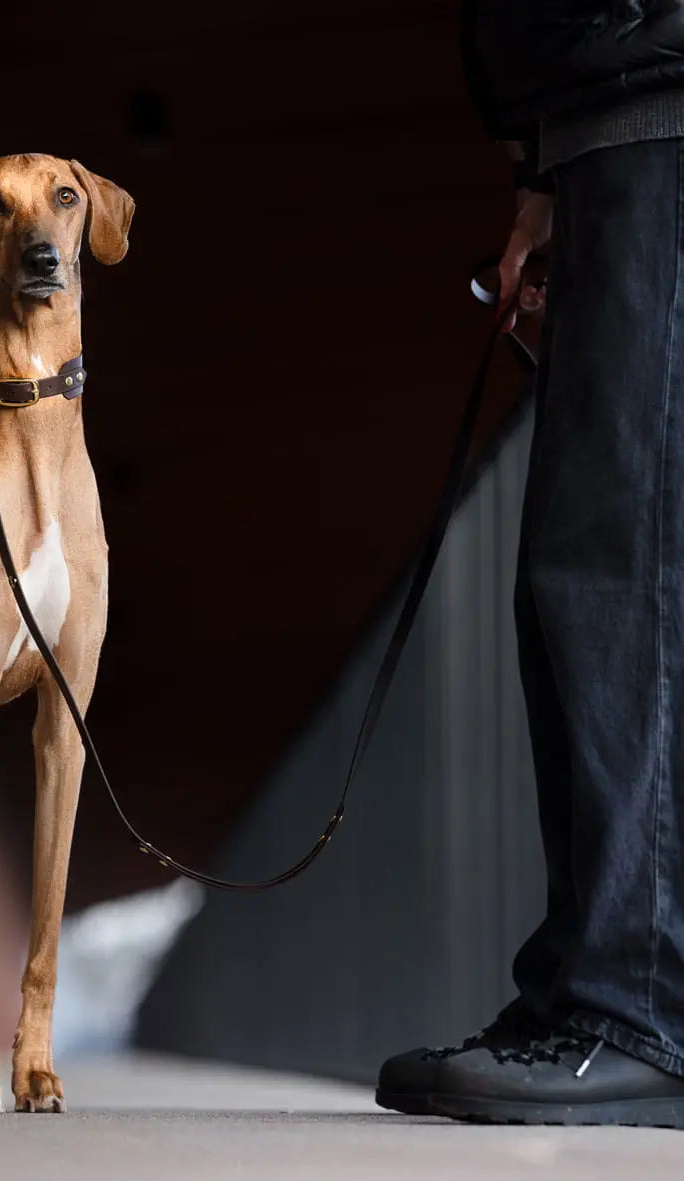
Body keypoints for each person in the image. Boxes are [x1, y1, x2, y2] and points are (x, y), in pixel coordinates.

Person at [376, 2, 684, 1127]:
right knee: (572, 574)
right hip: (605, 120)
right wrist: (546, 170)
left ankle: (636, 1007)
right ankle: (581, 987)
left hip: (658, 116)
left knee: (626, 560)